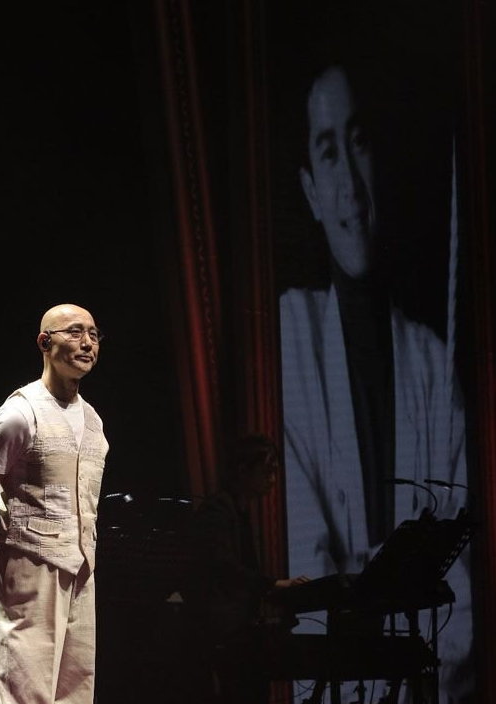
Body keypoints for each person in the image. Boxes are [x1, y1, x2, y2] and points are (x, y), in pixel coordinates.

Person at [278, 53, 474, 702]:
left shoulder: (432, 364)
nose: (349, 186)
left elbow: (462, 592)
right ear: (310, 191)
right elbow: (306, 586)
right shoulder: (288, 340)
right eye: (328, 152)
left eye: (358, 144)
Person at [0, 303, 109, 704]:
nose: (87, 343)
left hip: (81, 570)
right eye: (75, 332)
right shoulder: (20, 414)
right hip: (28, 569)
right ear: (45, 342)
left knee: (75, 692)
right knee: (24, 692)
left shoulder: (93, 420)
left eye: (94, 334)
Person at [192, 432, 309, 704]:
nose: (273, 480)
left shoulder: (239, 512)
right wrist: (274, 584)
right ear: (244, 470)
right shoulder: (218, 510)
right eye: (267, 471)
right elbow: (223, 565)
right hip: (225, 633)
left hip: (240, 632)